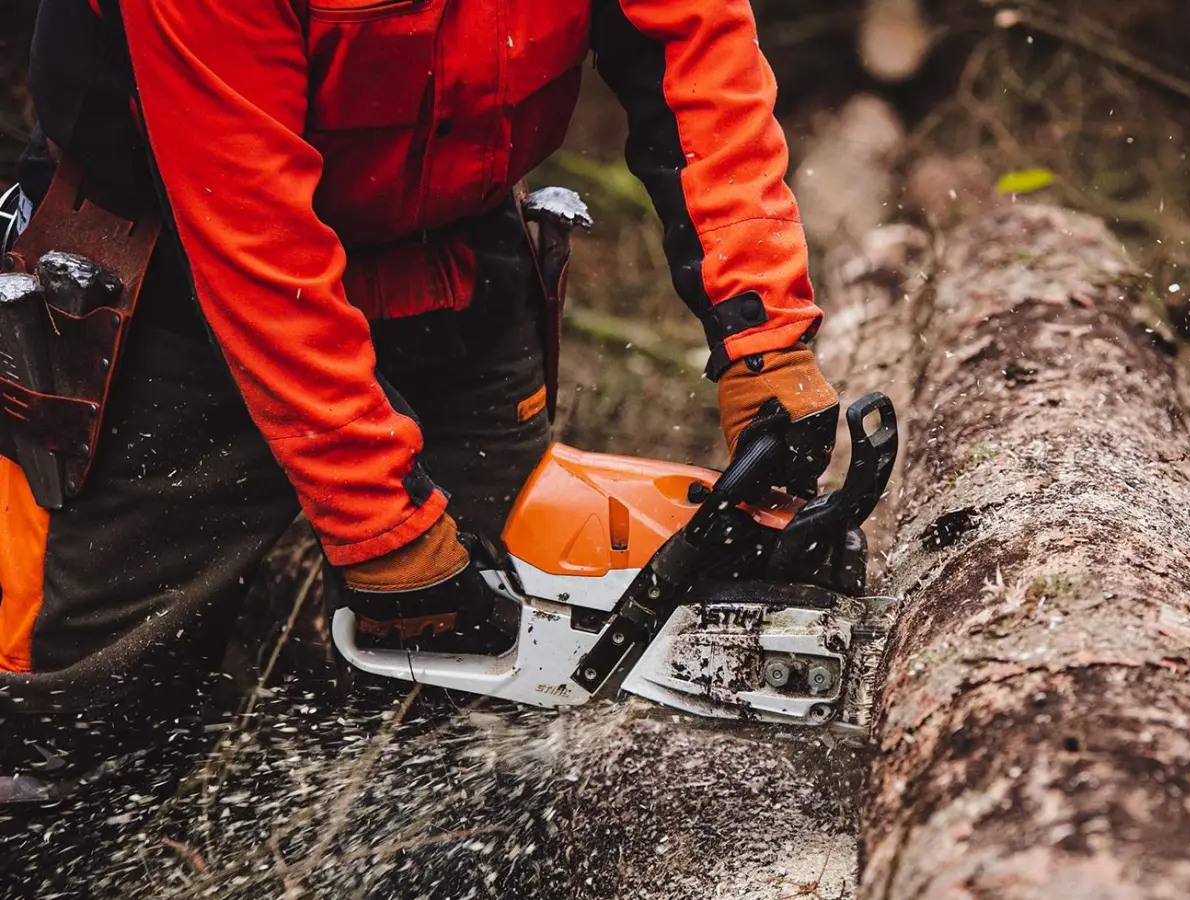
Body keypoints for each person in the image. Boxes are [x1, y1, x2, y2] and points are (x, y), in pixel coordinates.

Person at [0, 0, 839, 806]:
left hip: (451, 249)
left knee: (506, 663)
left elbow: (695, 50)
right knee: (75, 707)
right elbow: (254, 235)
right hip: (174, 267)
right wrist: (379, 524)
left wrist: (761, 330)